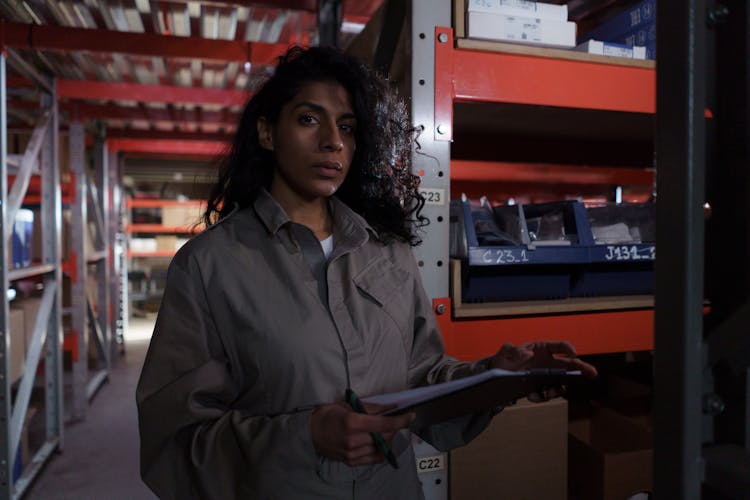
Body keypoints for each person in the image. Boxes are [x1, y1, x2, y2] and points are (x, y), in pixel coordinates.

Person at [136, 46, 597, 499]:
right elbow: (175, 443)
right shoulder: (208, 266)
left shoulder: (387, 253)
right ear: (267, 132)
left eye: (347, 127)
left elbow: (420, 382)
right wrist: (306, 435)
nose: (333, 141)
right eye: (308, 119)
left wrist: (496, 378)